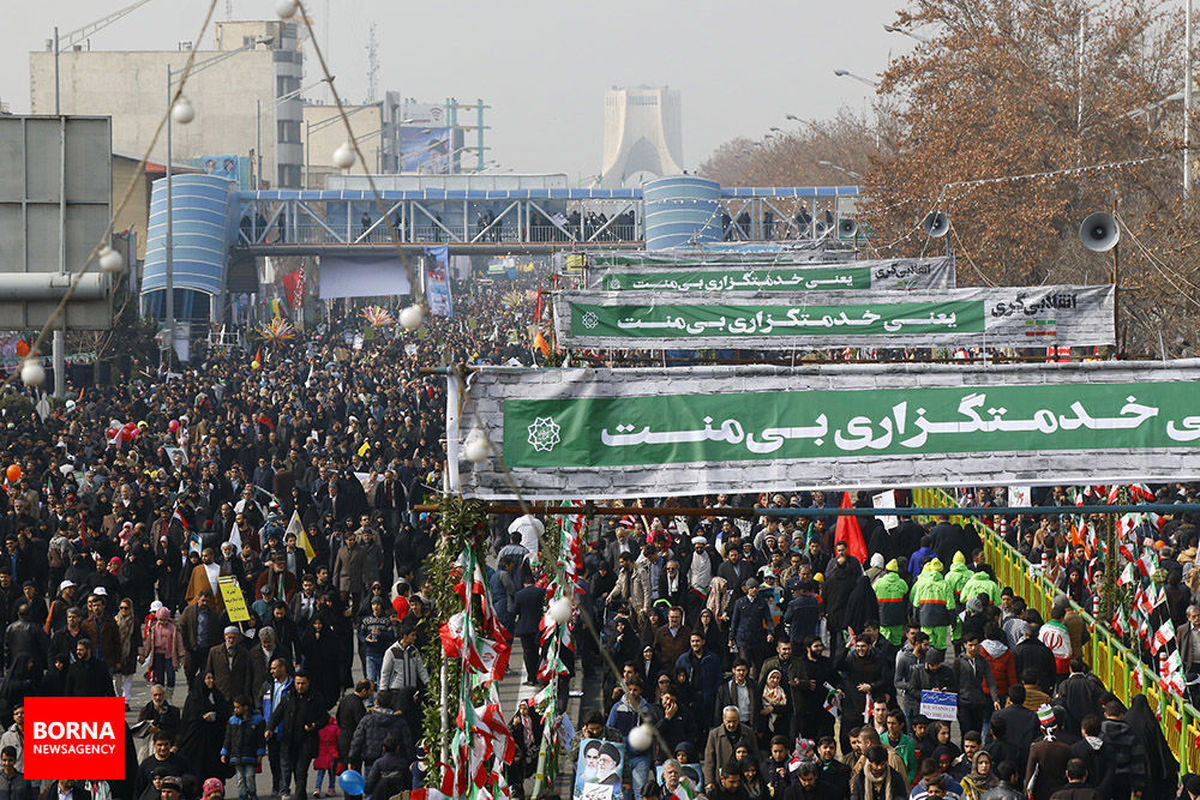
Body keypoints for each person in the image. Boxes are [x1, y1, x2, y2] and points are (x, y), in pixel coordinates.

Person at [266, 670, 326, 800]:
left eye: (303, 683)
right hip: (289, 741)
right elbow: (277, 714)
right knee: (295, 772)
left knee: (301, 771)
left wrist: (314, 725)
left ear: (308, 683)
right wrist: (270, 728)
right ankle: (301, 795)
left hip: (307, 741)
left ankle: (299, 796)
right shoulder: (289, 696)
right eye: (298, 683)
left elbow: (324, 718)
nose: (300, 686)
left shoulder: (316, 698)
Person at [221, 695, 266, 800]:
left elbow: (260, 740)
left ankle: (252, 793)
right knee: (240, 778)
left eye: (238, 707)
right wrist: (224, 752)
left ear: (245, 707)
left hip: (250, 754)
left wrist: (260, 754)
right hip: (236, 755)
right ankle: (242, 796)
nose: (235, 710)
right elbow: (228, 738)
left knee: (250, 776)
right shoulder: (233, 721)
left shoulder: (257, 720)